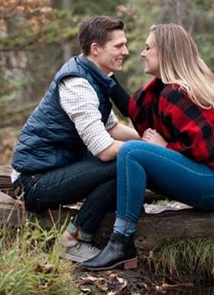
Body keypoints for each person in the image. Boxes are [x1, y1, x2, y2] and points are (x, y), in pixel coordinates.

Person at [81, 23, 214, 271]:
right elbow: (134, 111)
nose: (141, 52)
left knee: (130, 151)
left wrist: (166, 147)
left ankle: (121, 243)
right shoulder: (163, 88)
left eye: (148, 47)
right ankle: (120, 231)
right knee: (132, 153)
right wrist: (105, 76)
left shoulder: (180, 92)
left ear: (166, 53)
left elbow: (204, 151)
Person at [11, 15, 140, 263]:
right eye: (118, 46)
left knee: (128, 158)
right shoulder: (77, 84)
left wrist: (149, 141)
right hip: (34, 182)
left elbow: (111, 128)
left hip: (56, 169)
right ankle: (74, 240)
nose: (126, 51)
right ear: (95, 49)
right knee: (123, 161)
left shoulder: (95, 75)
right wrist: (150, 152)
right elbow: (104, 150)